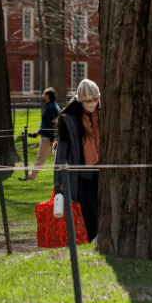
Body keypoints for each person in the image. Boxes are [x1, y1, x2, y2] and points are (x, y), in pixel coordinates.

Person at [54, 78, 102, 242]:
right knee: (87, 213)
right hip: (80, 176)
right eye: (88, 100)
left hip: (99, 172)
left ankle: (94, 240)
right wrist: (58, 183)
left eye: (95, 99)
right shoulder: (69, 119)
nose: (92, 103)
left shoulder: (102, 115)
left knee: (99, 212)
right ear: (81, 101)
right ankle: (90, 242)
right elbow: (61, 153)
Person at [26, 87, 61, 181]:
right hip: (50, 137)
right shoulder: (53, 105)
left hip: (48, 139)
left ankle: (30, 177)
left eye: (43, 94)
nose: (42, 96)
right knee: (58, 159)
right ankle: (65, 176)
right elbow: (46, 124)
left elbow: (52, 124)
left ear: (47, 96)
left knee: (41, 159)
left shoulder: (50, 107)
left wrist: (52, 139)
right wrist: (38, 132)